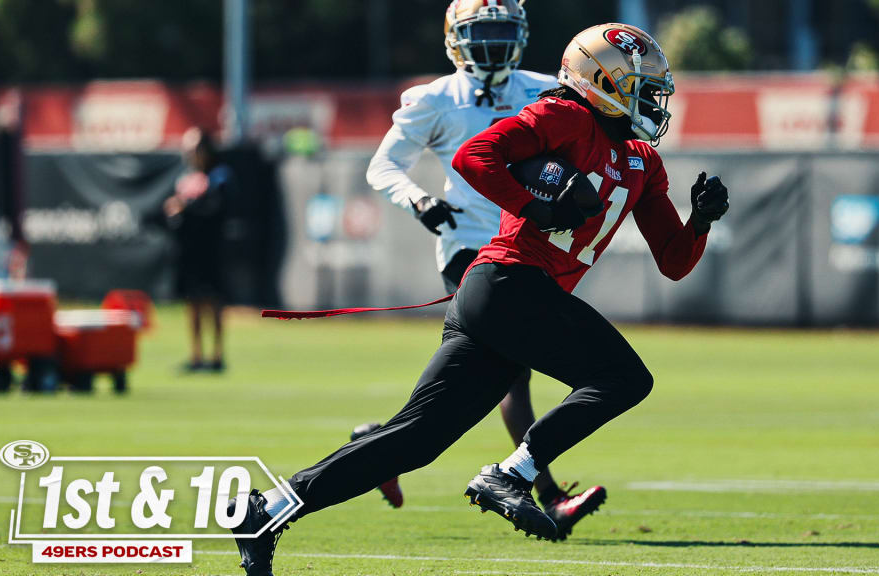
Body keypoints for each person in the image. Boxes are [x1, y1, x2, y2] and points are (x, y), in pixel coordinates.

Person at [231, 23, 729, 576]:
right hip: (508, 282)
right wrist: (534, 208)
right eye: (641, 86)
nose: (652, 101)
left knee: (413, 440)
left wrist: (701, 221)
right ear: (602, 80)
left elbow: (674, 261)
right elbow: (475, 156)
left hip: (508, 299)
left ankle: (267, 509)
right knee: (624, 378)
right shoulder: (564, 116)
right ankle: (511, 475)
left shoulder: (643, 160)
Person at [362, 0, 605, 529]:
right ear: (453, 37)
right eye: (482, 31)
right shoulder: (434, 98)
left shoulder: (545, 88)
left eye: (502, 31)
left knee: (471, 381)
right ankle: (546, 495)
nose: (493, 43)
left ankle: (377, 446)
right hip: (471, 248)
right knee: (511, 376)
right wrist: (419, 200)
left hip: (529, 245)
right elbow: (384, 165)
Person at [164, 128, 231, 372]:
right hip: (190, 251)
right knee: (193, 302)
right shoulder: (188, 178)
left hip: (211, 249)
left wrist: (186, 208)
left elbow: (216, 208)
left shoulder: (219, 176)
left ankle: (216, 355)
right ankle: (196, 356)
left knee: (213, 301)